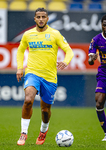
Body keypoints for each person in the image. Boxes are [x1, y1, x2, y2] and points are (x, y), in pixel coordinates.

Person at [16, 8, 74, 146]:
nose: (41, 19)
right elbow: (20, 50)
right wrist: (19, 68)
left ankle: (43, 131)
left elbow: (69, 51)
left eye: (43, 17)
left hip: (49, 77)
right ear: (34, 19)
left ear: (47, 19)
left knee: (45, 110)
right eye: (38, 17)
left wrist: (65, 62)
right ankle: (23, 133)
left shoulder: (55, 34)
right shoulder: (28, 34)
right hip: (32, 72)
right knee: (28, 100)